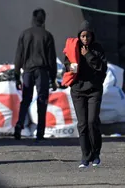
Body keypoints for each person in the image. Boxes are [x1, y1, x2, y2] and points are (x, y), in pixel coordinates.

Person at [62, 20, 107, 168]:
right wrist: (70, 66)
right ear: (79, 36)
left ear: (92, 36)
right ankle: (85, 157)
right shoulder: (73, 47)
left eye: (87, 36)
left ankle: (96, 154)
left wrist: (88, 55)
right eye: (82, 36)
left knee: (92, 122)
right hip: (78, 90)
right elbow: (66, 63)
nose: (85, 39)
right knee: (82, 124)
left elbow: (101, 68)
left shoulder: (97, 49)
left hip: (94, 90)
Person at [14, 8, 57, 141]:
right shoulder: (47, 36)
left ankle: (19, 124)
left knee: (26, 99)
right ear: (44, 19)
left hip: (27, 71)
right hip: (42, 72)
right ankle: (40, 132)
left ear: (33, 19)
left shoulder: (24, 34)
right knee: (42, 100)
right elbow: (51, 59)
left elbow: (18, 57)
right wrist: (53, 78)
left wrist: (16, 76)